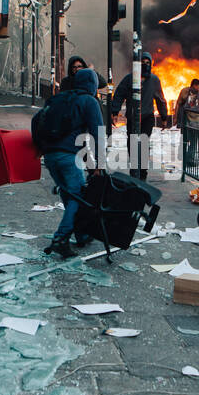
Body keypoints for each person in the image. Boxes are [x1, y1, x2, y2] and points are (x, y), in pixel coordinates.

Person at [31, 67, 104, 258]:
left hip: (51, 156)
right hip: (69, 156)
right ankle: (61, 239)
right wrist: (99, 165)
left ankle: (81, 233)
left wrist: (40, 147)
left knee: (70, 196)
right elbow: (98, 133)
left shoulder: (59, 98)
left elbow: (35, 120)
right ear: (93, 85)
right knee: (78, 196)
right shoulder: (89, 101)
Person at [110, 53, 169, 179]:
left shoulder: (154, 80)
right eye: (143, 62)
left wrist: (164, 117)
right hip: (132, 118)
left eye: (148, 62)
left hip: (147, 117)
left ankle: (142, 173)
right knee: (132, 143)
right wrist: (115, 111)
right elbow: (119, 94)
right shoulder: (129, 79)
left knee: (143, 143)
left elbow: (160, 99)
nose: (145, 65)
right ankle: (134, 170)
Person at [174, 78, 199, 167]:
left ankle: (187, 158)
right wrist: (176, 118)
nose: (196, 89)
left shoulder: (198, 92)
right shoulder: (186, 91)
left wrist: (176, 118)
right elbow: (179, 104)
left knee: (191, 140)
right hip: (189, 120)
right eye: (195, 87)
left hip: (191, 121)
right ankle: (187, 158)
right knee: (189, 140)